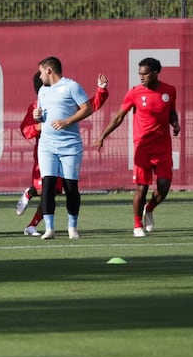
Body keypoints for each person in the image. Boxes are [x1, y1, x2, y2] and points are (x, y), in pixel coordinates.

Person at [94, 58, 180, 236]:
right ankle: (137, 225)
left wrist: (175, 123)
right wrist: (103, 135)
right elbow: (119, 117)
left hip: (163, 147)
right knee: (142, 188)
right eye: (140, 74)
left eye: (145, 73)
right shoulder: (134, 93)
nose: (141, 77)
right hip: (142, 148)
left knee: (164, 186)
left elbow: (171, 112)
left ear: (156, 73)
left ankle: (149, 208)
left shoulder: (169, 91)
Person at [17, 72, 109, 235]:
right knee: (43, 189)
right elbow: (25, 129)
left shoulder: (66, 98)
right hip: (46, 152)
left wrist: (101, 90)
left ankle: (33, 226)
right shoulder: (35, 106)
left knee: (56, 190)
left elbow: (88, 107)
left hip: (67, 149)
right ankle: (30, 192)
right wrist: (38, 127)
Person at [33, 56, 94, 240]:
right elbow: (42, 116)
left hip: (70, 145)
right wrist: (38, 116)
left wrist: (67, 121)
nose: (39, 76)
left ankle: (72, 227)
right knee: (48, 184)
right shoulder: (42, 90)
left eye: (41, 71)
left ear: (49, 70)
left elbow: (87, 108)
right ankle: (49, 228)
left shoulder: (71, 86)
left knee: (70, 186)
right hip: (47, 145)